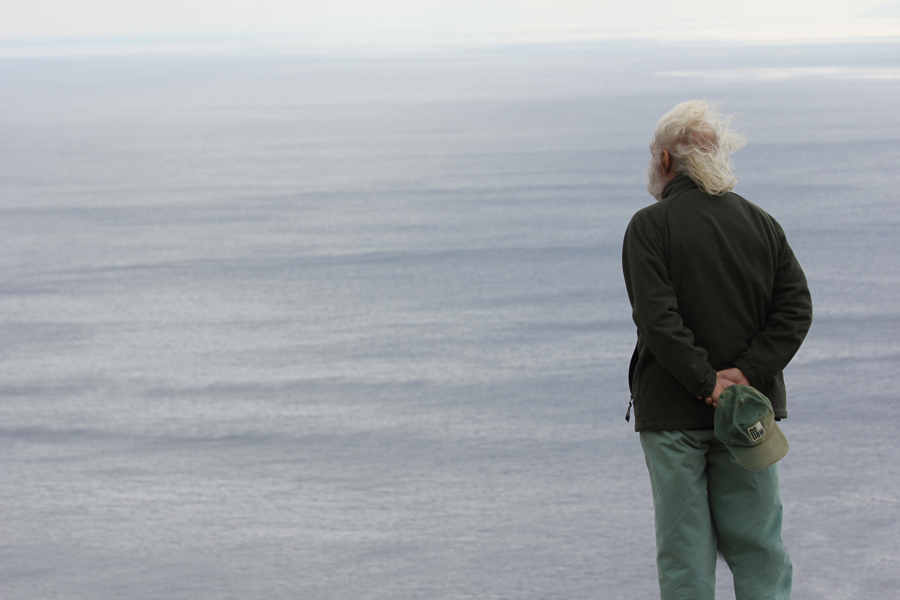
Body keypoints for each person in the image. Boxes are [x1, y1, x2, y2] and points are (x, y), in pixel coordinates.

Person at [621, 100, 813, 600]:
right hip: (748, 414)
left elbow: (658, 320)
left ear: (665, 160)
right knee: (759, 548)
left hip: (673, 415)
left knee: (685, 553)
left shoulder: (649, 226)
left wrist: (708, 385)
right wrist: (746, 375)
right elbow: (795, 311)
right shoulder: (762, 223)